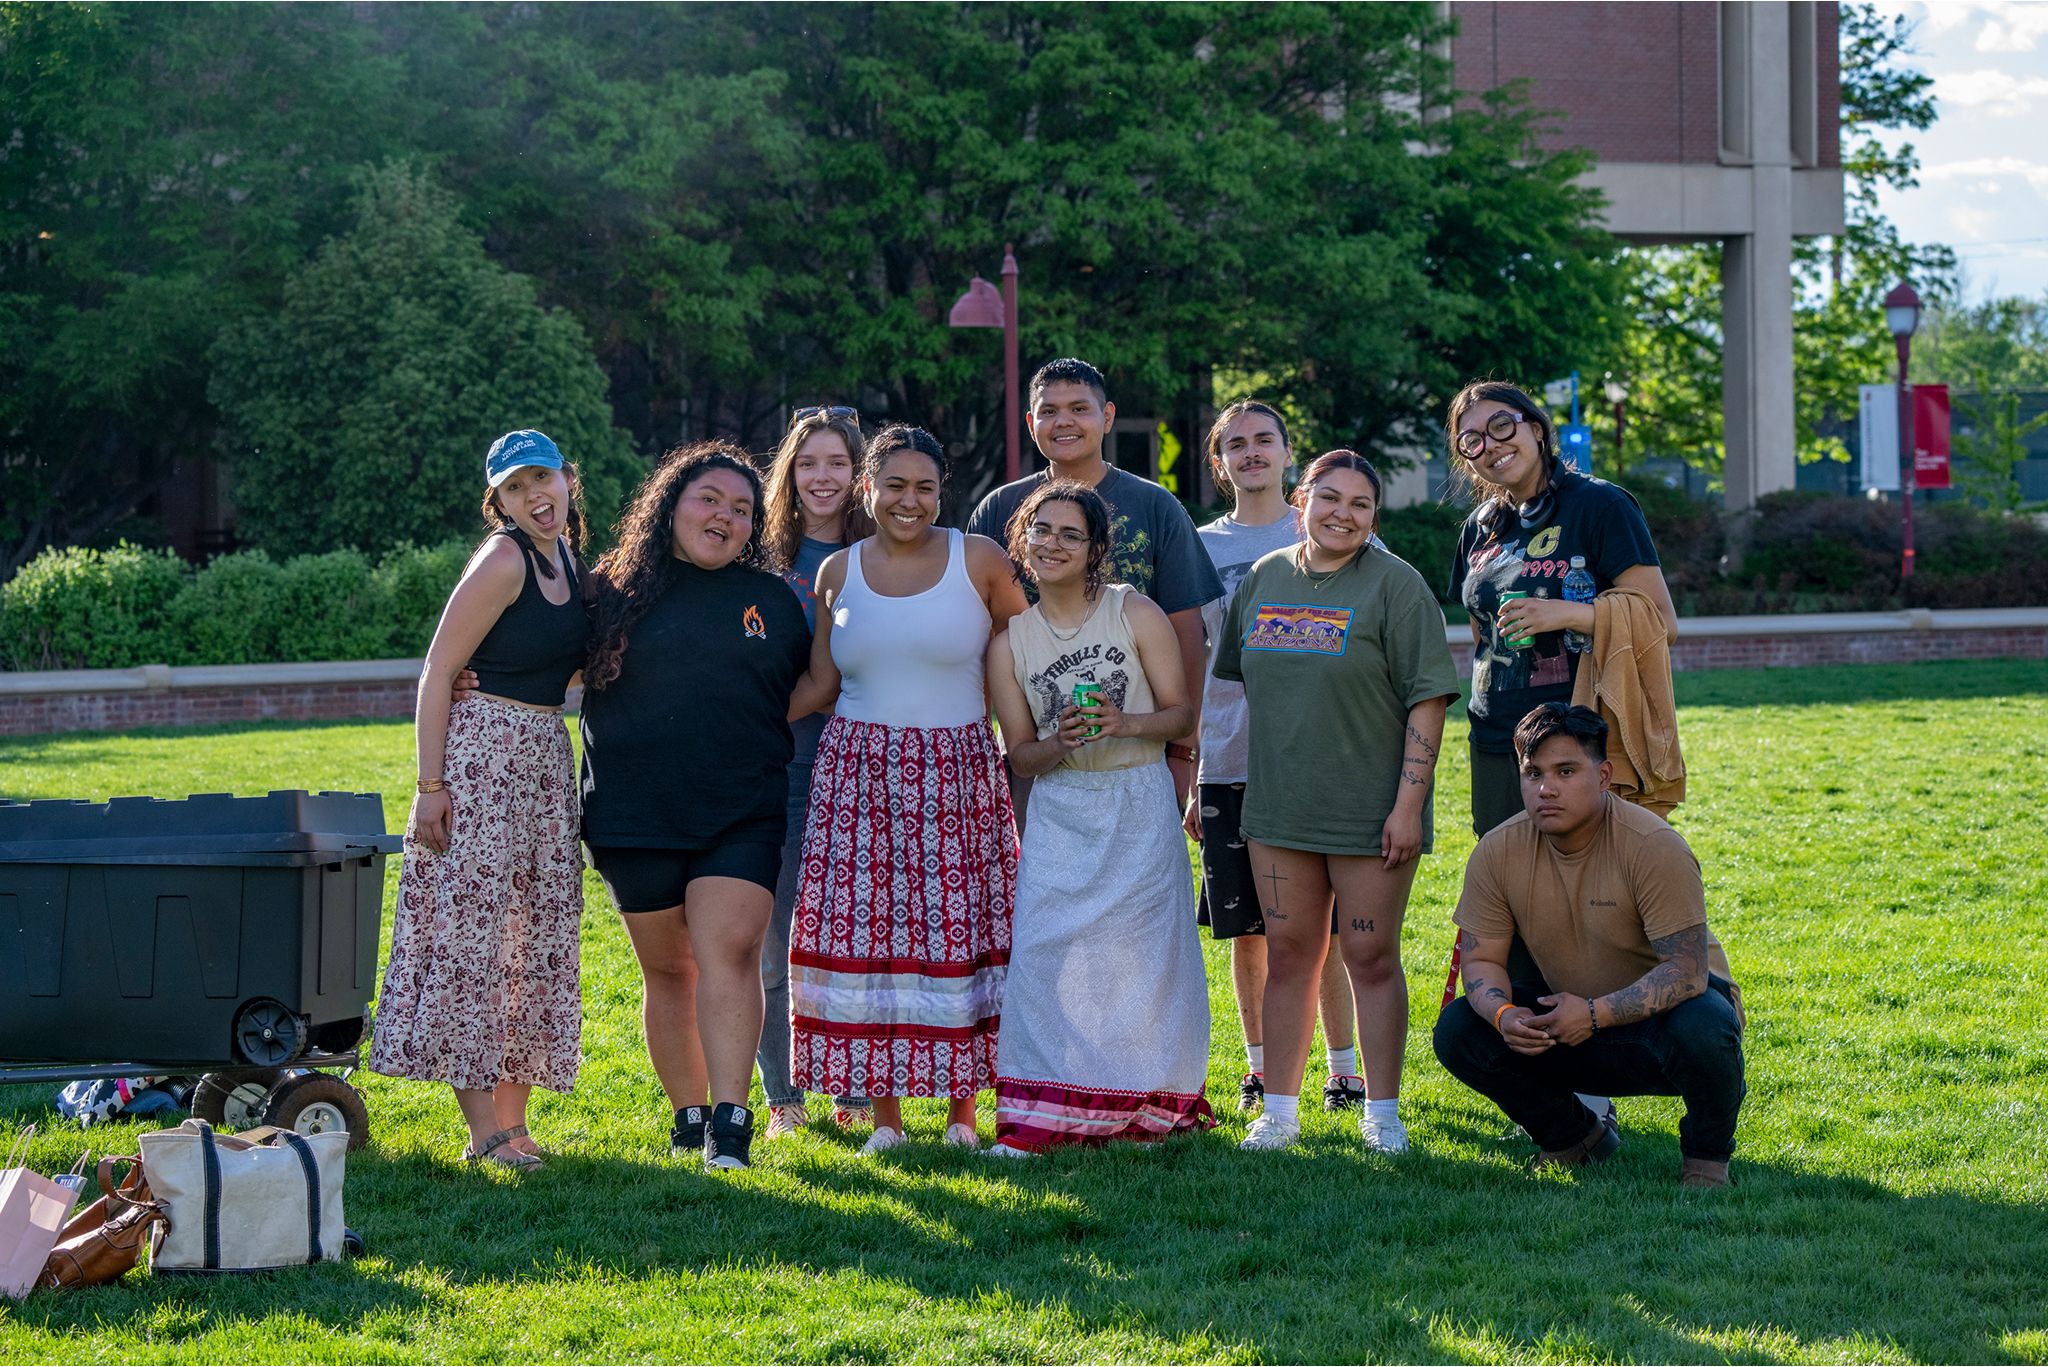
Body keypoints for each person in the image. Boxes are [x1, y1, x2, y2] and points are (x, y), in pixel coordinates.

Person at [578, 442, 825, 1172]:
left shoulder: (774, 600)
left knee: (732, 950)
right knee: (669, 971)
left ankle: (732, 1120)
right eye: (710, 499)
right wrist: (469, 677)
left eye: (743, 509)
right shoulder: (610, 591)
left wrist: (757, 725)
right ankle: (687, 1118)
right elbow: (544, 661)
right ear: (671, 504)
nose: (725, 516)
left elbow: (813, 683)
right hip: (632, 810)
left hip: (741, 806)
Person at [788, 424, 1028, 1154]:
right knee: (872, 938)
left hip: (957, 771)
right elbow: (822, 682)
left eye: (925, 486)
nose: (909, 500)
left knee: (963, 932)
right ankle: (886, 1120)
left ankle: (962, 1113)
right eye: (894, 485)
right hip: (857, 776)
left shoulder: (979, 560)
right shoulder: (839, 573)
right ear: (869, 487)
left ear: (941, 490)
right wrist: (728, 705)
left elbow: (1034, 647)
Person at [1214, 450, 1460, 1153]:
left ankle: (1382, 1113)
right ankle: (1280, 1113)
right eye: (1330, 498)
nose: (1343, 514)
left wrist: (1408, 805)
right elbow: (1237, 686)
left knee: (1369, 954)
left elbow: (1428, 700)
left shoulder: (1397, 586)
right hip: (1280, 810)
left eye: (1360, 504)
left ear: (1374, 517)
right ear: (1301, 500)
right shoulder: (1262, 579)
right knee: (1291, 954)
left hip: (1371, 813)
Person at [369, 429, 589, 1172]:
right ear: (498, 500)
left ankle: (514, 1119)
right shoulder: (503, 558)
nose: (537, 497)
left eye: (545, 480)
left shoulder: (568, 562)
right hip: (483, 759)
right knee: (473, 937)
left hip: (542, 759)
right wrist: (431, 787)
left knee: (535, 933)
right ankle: (481, 1129)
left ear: (567, 481)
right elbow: (438, 670)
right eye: (518, 487)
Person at [984, 482, 1213, 1155]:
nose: (1053, 544)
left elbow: (1182, 714)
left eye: (1070, 534)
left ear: (1094, 550)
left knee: (1146, 959)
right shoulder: (1009, 644)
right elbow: (1020, 755)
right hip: (1061, 809)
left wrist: (1125, 721)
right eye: (1041, 530)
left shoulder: (1131, 610)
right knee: (1045, 956)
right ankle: (1043, 1114)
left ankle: (1146, 1108)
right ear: (1022, 540)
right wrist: (1061, 741)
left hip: (1137, 797)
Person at [1432, 703, 1745, 1187]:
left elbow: (1685, 972)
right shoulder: (1496, 850)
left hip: (1665, 1026)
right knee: (1458, 1029)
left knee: (1707, 1023)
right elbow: (1481, 960)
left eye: (1565, 771)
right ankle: (1575, 1140)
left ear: (1603, 776)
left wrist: (1595, 1013)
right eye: (1532, 773)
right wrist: (1503, 1015)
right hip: (1570, 1020)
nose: (1545, 788)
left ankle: (1706, 1160)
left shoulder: (1654, 845)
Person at [1189, 400, 1365, 1116]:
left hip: (1320, 761)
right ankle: (1260, 1068)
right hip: (1229, 758)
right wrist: (1192, 770)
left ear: (1289, 453)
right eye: (1237, 443)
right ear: (1220, 459)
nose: (1252, 452)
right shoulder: (1198, 547)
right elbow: (1191, 659)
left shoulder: (1331, 526)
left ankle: (1344, 1068)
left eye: (1265, 440)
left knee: (1325, 929)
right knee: (1248, 929)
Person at [966, 357, 1222, 807]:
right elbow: (977, 633)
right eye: (1049, 411)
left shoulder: (1155, 507)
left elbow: (1186, 632)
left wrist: (1182, 753)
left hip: (1138, 752)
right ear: (1031, 423)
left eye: (1079, 409)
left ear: (1107, 418)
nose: (1063, 421)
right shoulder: (998, 510)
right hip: (1034, 757)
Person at [756, 404, 877, 1139]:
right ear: (789, 474)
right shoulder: (762, 559)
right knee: (772, 936)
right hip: (780, 767)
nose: (822, 477)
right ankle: (784, 1095)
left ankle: (856, 1090)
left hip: (864, 767)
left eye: (837, 463)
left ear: (859, 474)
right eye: (808, 463)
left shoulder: (884, 556)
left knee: (854, 934)